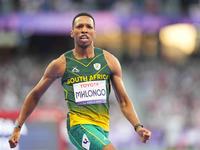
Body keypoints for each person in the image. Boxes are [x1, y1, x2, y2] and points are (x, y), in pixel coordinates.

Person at [8, 12, 151, 150]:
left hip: (102, 129)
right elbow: (35, 95)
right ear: (72, 32)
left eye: (89, 27)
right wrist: (17, 128)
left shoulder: (110, 61)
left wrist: (138, 127)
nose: (84, 30)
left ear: (94, 33)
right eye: (79, 26)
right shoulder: (61, 64)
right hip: (77, 126)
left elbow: (124, 101)